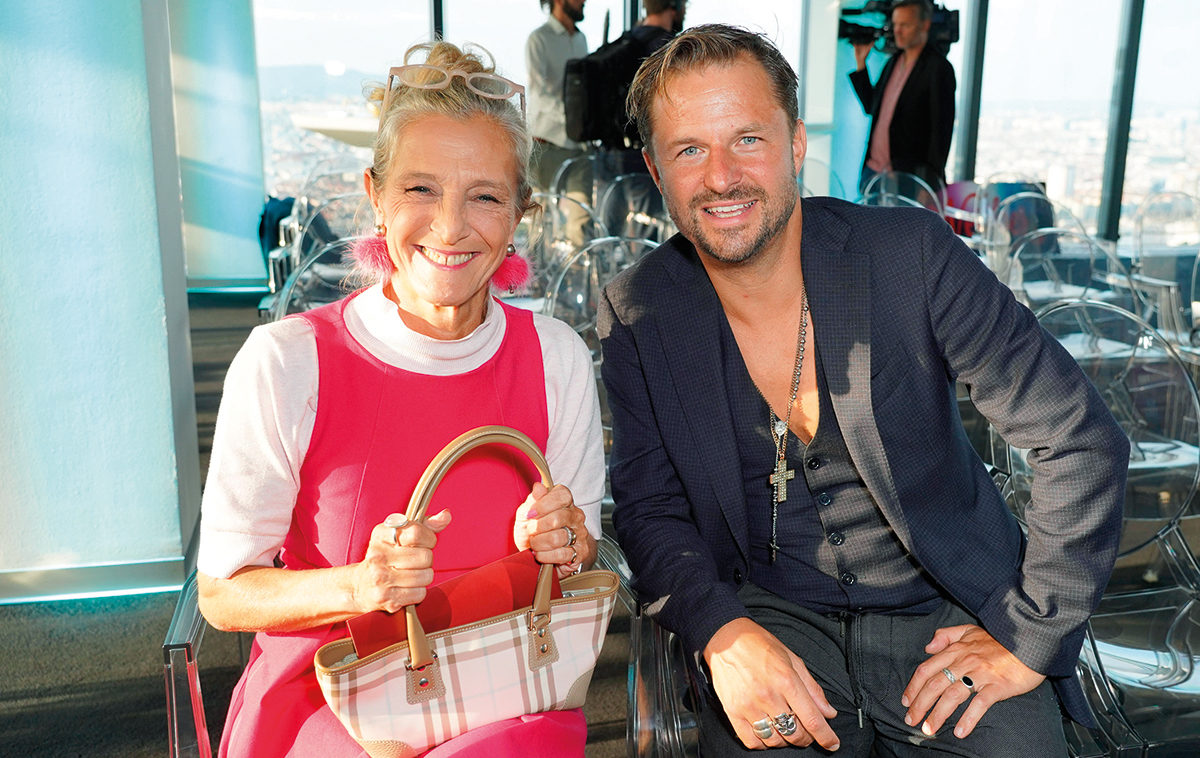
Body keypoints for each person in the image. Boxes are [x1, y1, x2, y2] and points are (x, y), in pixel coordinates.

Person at [598, 23, 1127, 757]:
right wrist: (723, 633)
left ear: (795, 144)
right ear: (656, 172)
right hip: (770, 617)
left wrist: (1029, 635)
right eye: (689, 150)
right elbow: (650, 510)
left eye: (748, 139)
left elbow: (1079, 438)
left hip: (946, 609)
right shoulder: (639, 309)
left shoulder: (909, 255)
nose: (720, 176)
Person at [196, 40, 606, 758]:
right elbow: (223, 595)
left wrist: (565, 542)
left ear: (520, 213)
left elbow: (584, 548)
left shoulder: (557, 358)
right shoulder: (287, 362)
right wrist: (361, 586)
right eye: (420, 189)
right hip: (336, 702)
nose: (450, 227)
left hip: (504, 694)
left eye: (485, 196)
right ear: (376, 197)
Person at [850, 0, 956, 194]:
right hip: (873, 172)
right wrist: (861, 65)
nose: (897, 31)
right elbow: (871, 107)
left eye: (905, 25)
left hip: (909, 178)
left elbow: (941, 134)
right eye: (896, 24)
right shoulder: (893, 62)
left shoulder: (939, 68)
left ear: (924, 25)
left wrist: (928, 185)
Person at [526, 0, 589, 194]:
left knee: (580, 209)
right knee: (543, 210)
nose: (584, 1)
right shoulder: (539, 39)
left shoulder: (581, 39)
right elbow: (538, 94)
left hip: (578, 145)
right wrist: (572, 116)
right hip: (548, 145)